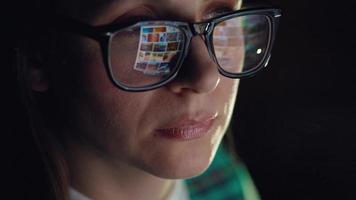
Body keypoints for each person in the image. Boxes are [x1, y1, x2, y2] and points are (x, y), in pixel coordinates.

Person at [5, 0, 281, 199]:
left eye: (221, 15)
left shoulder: (226, 183)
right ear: (37, 57)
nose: (207, 76)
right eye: (144, 31)